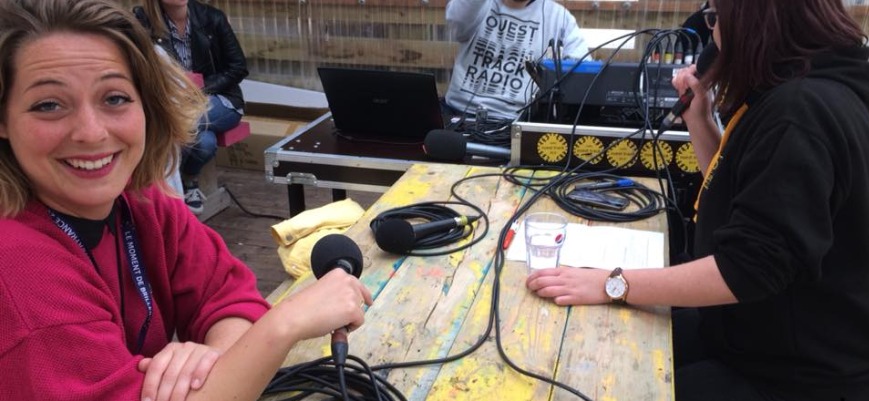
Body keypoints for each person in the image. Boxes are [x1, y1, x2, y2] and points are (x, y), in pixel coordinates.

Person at [0, 1, 372, 401]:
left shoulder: (140, 200)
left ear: (147, 104)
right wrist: (285, 324)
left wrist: (209, 361)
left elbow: (228, 296)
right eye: (49, 105)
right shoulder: (15, 265)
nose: (91, 132)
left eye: (114, 98)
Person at [526, 0, 869, 400]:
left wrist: (612, 283)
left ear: (752, 21)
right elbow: (739, 195)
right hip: (751, 335)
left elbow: (748, 267)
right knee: (605, 335)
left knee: (604, 383)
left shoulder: (799, 113)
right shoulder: (801, 93)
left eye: (716, 18)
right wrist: (700, 119)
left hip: (796, 375)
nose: (712, 32)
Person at [133, 0, 248, 215]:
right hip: (173, 102)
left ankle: (164, 191)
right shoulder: (143, 21)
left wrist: (198, 89)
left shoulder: (212, 18)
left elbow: (238, 67)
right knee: (205, 143)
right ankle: (189, 181)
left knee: (176, 124)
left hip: (219, 98)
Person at [444, 0, 591, 122]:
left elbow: (582, 70)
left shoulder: (559, 17)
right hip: (457, 113)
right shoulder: (476, 4)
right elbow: (457, 21)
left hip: (517, 121)